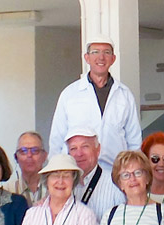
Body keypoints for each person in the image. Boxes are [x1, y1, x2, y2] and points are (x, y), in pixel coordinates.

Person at [48, 35, 141, 171]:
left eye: (106, 52)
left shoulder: (124, 94)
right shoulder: (70, 94)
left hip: (114, 172)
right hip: (77, 171)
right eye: (95, 52)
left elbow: (134, 140)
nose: (101, 57)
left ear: (113, 59)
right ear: (87, 58)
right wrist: (55, 170)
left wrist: (133, 171)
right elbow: (57, 138)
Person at [67, 126, 126, 222]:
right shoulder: (62, 186)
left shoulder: (115, 184)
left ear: (98, 150)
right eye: (73, 148)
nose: (79, 154)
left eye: (85, 146)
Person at [7, 131, 48, 204]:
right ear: (16, 157)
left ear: (44, 156)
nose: (29, 155)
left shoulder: (55, 188)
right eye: (23, 151)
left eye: (35, 150)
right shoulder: (8, 190)